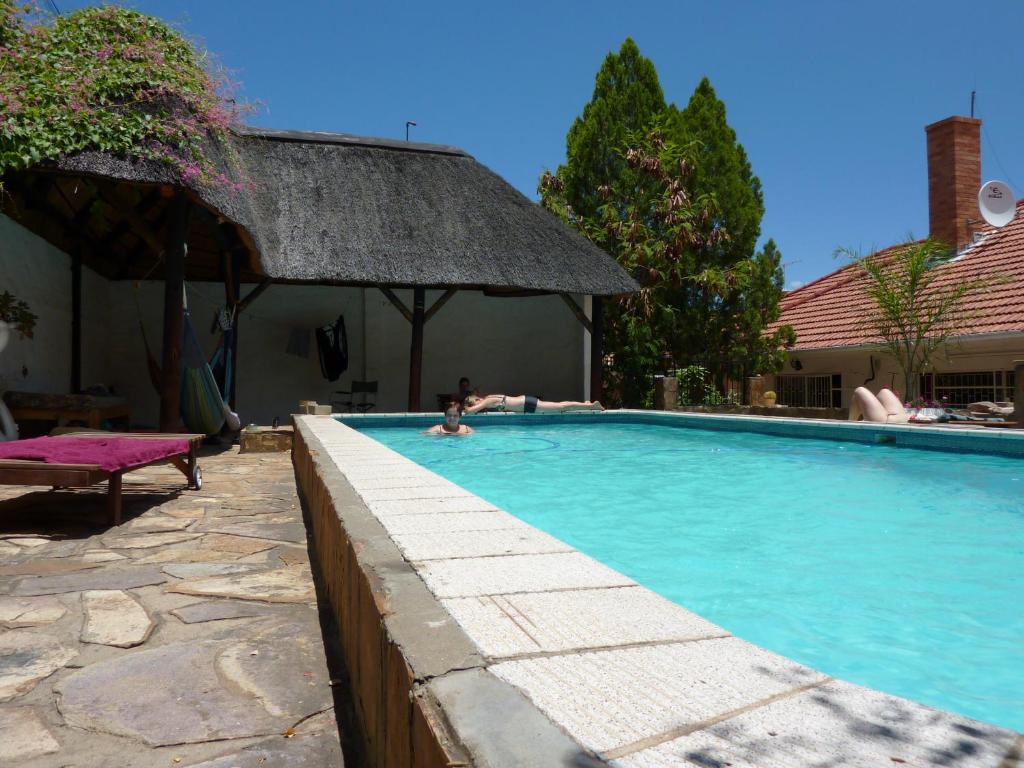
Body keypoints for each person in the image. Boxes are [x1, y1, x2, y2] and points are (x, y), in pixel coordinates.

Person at [463, 393, 603, 414]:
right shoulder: (489, 397)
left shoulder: (487, 400)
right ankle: (586, 404)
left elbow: (471, 411)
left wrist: (463, 408)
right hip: (526, 402)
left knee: (561, 407)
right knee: (560, 405)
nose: (477, 404)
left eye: (474, 402)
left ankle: (592, 406)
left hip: (527, 405)